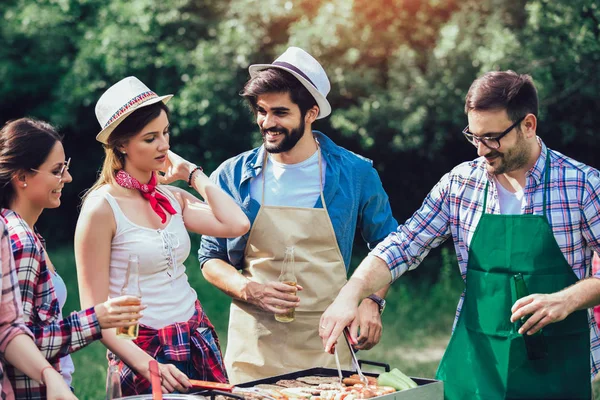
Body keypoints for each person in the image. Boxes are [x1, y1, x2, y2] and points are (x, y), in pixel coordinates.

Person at [320, 70, 600, 399]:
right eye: (474, 137)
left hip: (558, 369)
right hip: (475, 367)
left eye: (492, 138)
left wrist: (566, 299)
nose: (481, 150)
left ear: (528, 125)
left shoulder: (582, 185)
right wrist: (351, 293)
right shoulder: (460, 184)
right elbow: (403, 245)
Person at [198, 47, 397, 384]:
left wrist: (373, 300)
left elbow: (389, 246)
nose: (267, 123)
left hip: (328, 345)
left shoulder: (354, 173)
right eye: (261, 111)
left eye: (280, 112)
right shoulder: (231, 176)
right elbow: (210, 257)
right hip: (255, 349)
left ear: (311, 113)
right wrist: (249, 289)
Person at [75, 76, 250, 395]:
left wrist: (191, 174)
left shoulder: (172, 197)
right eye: (150, 137)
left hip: (194, 336)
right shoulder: (101, 208)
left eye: (166, 132)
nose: (164, 145)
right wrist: (147, 365)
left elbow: (237, 223)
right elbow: (93, 314)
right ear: (122, 144)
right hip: (141, 349)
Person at [0, 118, 146, 400]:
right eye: (57, 171)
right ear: (22, 178)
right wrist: (96, 320)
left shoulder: (28, 233)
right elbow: (17, 341)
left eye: (65, 167)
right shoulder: (21, 241)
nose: (67, 178)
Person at [0, 219, 77, 400]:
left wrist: (48, 375)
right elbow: (20, 333)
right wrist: (93, 322)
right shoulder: (21, 240)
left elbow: (9, 329)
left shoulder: (19, 233)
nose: (62, 188)